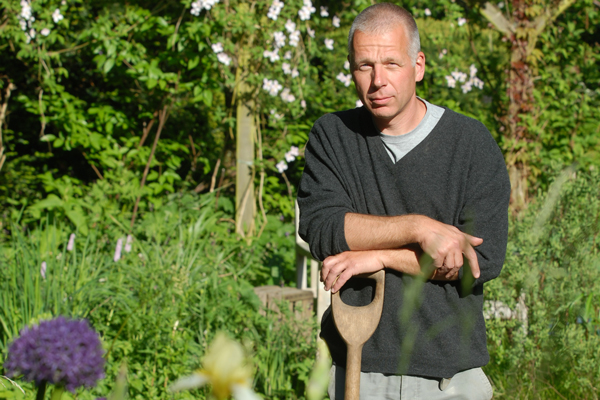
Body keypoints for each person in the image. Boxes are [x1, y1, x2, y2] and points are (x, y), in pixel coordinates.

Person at [297, 3, 511, 400]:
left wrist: (377, 257)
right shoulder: (333, 136)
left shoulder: (470, 145)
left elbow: (478, 262)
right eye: (364, 66)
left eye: (392, 64)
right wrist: (418, 228)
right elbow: (323, 230)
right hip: (357, 369)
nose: (378, 80)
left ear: (419, 65)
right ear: (351, 69)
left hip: (450, 377)